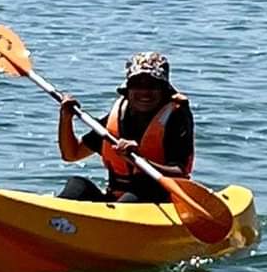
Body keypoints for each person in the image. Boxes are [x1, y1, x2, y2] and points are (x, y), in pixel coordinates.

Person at [56, 51, 195, 203]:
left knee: (144, 186)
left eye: (152, 85)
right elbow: (71, 154)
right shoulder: (118, 115)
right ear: (128, 90)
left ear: (163, 90)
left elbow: (179, 172)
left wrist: (139, 160)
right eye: (137, 85)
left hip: (158, 199)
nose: (145, 92)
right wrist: (66, 118)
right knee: (77, 184)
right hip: (117, 198)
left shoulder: (175, 119)